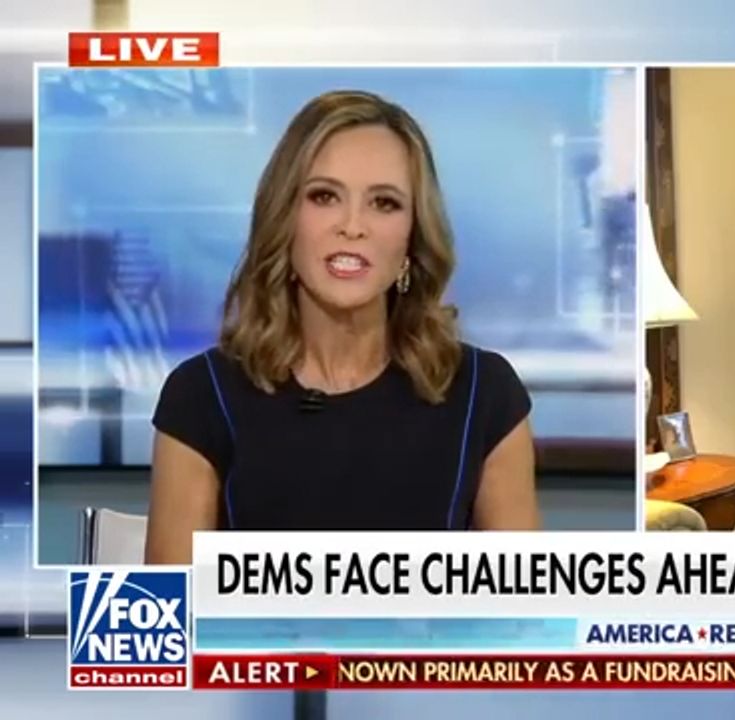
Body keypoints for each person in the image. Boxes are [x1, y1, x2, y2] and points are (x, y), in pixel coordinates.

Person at [146, 90, 539, 563]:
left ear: (413, 237)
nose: (353, 226)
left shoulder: (485, 394)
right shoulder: (201, 396)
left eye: (384, 203)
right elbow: (166, 604)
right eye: (325, 196)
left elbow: (522, 601)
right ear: (284, 219)